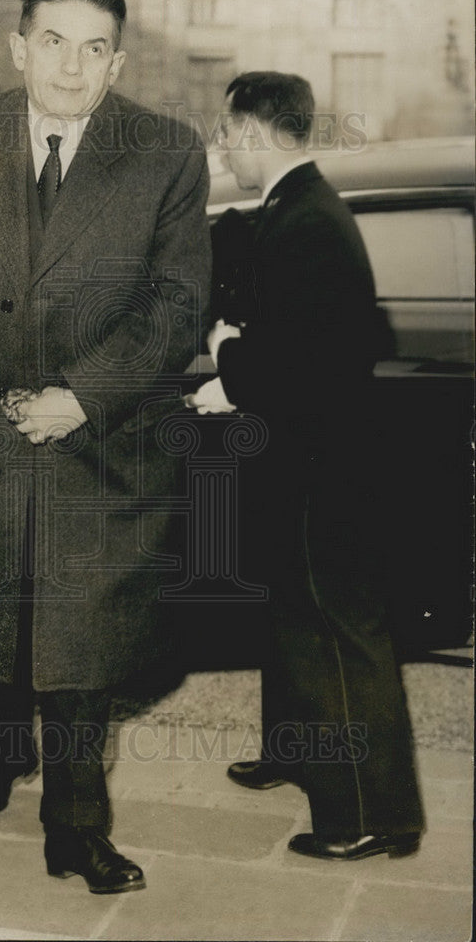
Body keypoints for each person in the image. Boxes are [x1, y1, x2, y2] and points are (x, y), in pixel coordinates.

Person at [0, 0, 211, 894]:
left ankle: (76, 828)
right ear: (18, 47)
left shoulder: (166, 152)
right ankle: (1, 755)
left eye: (94, 49)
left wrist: (84, 396)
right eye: (53, 42)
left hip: (101, 445)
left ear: (117, 64)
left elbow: (176, 305)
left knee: (78, 641)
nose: (71, 66)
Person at [187, 72, 424, 860]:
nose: (223, 146)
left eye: (227, 132)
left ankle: (370, 814)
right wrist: (240, 364)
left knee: (337, 629)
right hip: (309, 454)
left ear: (255, 131)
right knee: (293, 610)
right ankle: (294, 751)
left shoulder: (306, 221)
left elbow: (303, 362)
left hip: (322, 466)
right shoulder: (298, 206)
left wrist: (227, 357)